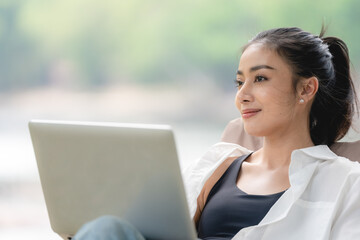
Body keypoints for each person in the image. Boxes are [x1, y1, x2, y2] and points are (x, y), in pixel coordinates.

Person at [73, 27, 360, 239]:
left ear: (306, 89)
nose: (242, 96)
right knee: (106, 228)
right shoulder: (217, 162)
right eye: (239, 82)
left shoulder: (346, 182)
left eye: (260, 78)